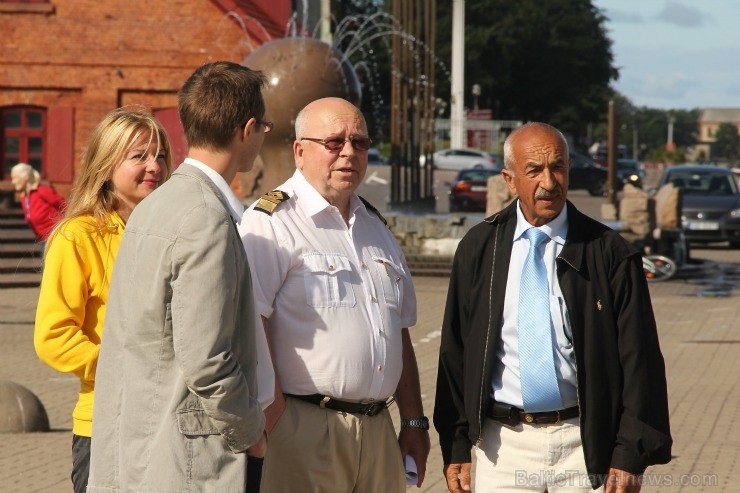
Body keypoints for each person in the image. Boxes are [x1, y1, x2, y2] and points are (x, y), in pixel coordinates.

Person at [434, 122, 672, 493]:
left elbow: (640, 362)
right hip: (503, 449)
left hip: (586, 449)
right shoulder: (480, 248)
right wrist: (457, 443)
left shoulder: (609, 253)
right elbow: (455, 354)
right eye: (534, 170)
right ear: (509, 180)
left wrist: (629, 454)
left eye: (557, 167)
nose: (549, 181)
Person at [87, 61, 269, 492]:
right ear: (247, 129)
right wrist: (251, 432)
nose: (264, 136)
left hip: (141, 443)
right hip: (186, 458)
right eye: (265, 126)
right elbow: (208, 359)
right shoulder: (205, 216)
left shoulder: (155, 203)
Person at [240, 96, 430, 492]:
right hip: (304, 427)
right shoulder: (272, 223)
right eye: (334, 142)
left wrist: (413, 421)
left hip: (378, 431)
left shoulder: (375, 227)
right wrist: (276, 419)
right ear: (300, 150)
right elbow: (247, 325)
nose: (348, 153)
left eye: (359, 143)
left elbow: (398, 331)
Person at [34, 106, 172, 493]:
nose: (154, 166)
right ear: (106, 165)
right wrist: (125, 369)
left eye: (160, 155)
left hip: (175, 422)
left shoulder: (176, 231)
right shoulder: (78, 237)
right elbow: (54, 336)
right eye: (139, 156)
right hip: (109, 423)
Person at [10, 162, 66, 255]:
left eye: (15, 178)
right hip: (43, 240)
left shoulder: (41, 191)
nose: (13, 182)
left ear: (25, 177)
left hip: (55, 238)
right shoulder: (24, 197)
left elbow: (64, 206)